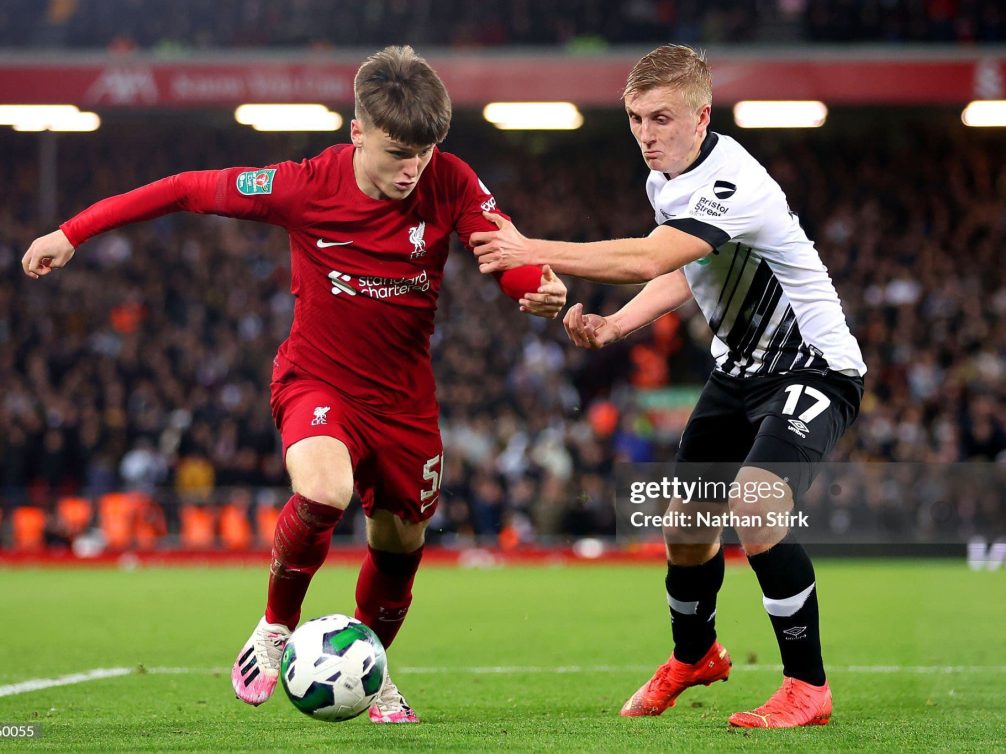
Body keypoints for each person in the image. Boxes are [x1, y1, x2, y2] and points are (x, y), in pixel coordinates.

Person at [22, 45, 567, 724]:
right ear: (357, 131)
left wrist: (534, 289)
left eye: (424, 152)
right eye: (399, 152)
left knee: (399, 548)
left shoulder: (449, 179)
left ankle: (374, 673)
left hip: (405, 403)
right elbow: (186, 189)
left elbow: (498, 245)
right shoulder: (303, 184)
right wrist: (73, 231)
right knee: (325, 489)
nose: (413, 168)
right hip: (318, 381)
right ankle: (278, 622)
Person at [472, 44, 865, 729]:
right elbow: (688, 268)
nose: (646, 134)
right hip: (738, 371)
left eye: (660, 118)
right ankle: (696, 656)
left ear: (700, 115)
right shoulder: (668, 181)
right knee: (684, 524)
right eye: (634, 119)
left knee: (756, 502)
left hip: (814, 367)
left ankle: (809, 687)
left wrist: (531, 247)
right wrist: (619, 325)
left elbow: (654, 254)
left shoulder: (731, 179)